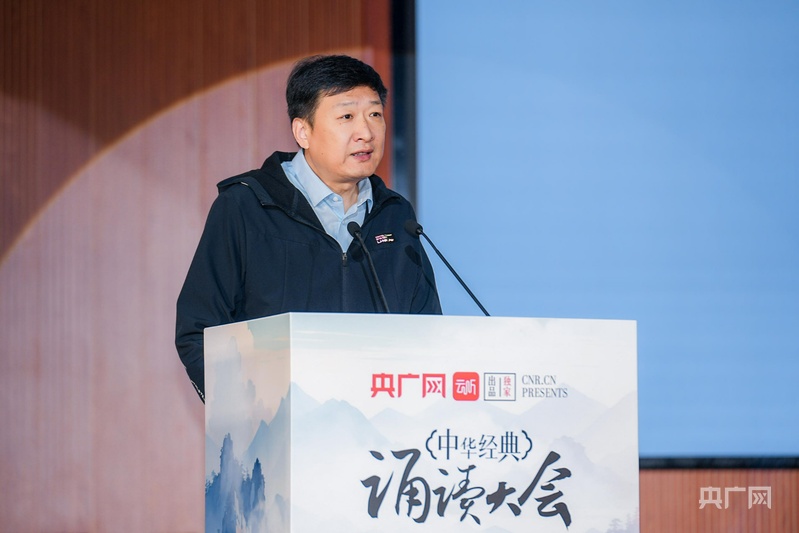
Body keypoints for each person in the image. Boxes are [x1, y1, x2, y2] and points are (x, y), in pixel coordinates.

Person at [175, 55, 441, 401]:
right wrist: (246, 411)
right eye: (346, 117)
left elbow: (428, 332)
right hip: (275, 423)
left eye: (375, 115)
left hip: (378, 425)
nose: (366, 133)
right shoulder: (247, 207)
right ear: (303, 132)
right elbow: (200, 331)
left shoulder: (395, 215)